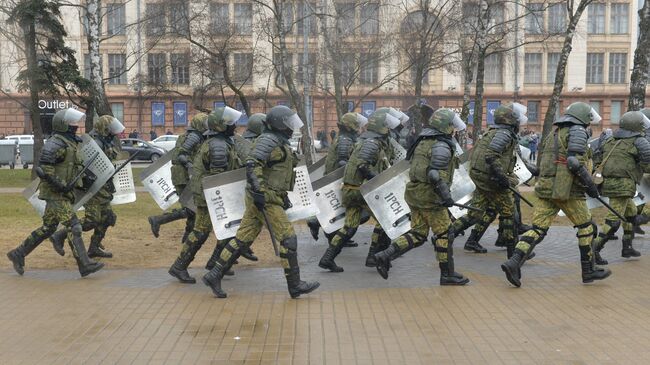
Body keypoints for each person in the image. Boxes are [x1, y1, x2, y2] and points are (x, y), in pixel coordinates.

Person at [202, 105, 320, 299]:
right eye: (289, 124)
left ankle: (214, 275)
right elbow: (252, 163)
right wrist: (258, 191)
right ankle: (295, 285)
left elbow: (275, 172)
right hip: (266, 198)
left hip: (268, 196)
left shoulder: (277, 141)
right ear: (279, 125)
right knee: (288, 239)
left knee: (243, 239)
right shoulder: (268, 141)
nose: (292, 128)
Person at [501, 102, 612, 287]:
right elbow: (574, 163)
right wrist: (591, 185)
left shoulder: (555, 132)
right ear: (583, 118)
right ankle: (588, 270)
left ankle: (514, 262)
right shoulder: (576, 130)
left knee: (537, 229)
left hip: (546, 189)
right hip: (566, 190)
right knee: (586, 227)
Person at [373, 108, 470, 285]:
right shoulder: (441, 144)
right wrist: (445, 195)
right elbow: (434, 174)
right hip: (430, 198)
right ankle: (447, 274)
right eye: (451, 125)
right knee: (444, 234)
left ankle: (385, 255)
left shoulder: (423, 140)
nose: (453, 129)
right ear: (445, 126)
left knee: (418, 234)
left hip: (415, 194)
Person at [7, 108, 104, 277]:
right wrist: (60, 185)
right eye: (72, 123)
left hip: (62, 193)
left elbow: (72, 166)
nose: (76, 125)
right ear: (63, 125)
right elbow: (43, 169)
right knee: (74, 225)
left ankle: (18, 253)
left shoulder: (70, 142)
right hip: (55, 193)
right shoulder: (55, 143)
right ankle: (84, 264)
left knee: (48, 227)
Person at [317, 108, 403, 273]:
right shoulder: (371, 143)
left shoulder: (367, 140)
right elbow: (363, 164)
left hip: (353, 189)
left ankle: (327, 258)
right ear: (381, 127)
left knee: (350, 227)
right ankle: (373, 255)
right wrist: (377, 180)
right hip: (360, 190)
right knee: (385, 220)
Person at [168, 107, 243, 283]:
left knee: (210, 231)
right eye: (231, 123)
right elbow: (219, 178)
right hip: (210, 196)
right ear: (221, 126)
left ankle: (212, 263)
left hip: (209, 194)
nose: (235, 126)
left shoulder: (221, 141)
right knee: (201, 231)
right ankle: (180, 266)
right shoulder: (217, 144)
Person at [448, 103, 529, 258]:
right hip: (491, 179)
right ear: (510, 120)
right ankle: (514, 256)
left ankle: (444, 235)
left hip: (482, 176)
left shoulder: (493, 132)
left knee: (475, 214)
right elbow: (491, 155)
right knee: (508, 213)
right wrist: (502, 177)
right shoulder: (504, 134)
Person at [49, 115, 126, 259]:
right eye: (111, 129)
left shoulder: (106, 141)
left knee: (108, 217)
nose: (114, 132)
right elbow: (85, 167)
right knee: (92, 221)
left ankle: (94, 248)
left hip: (103, 188)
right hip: (94, 189)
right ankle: (59, 235)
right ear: (105, 129)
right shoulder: (96, 143)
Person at [591, 111, 650, 265]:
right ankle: (593, 250)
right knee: (613, 221)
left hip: (608, 183)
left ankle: (627, 247)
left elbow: (597, 155)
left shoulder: (611, 139)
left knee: (630, 213)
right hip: (623, 186)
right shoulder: (638, 140)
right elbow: (647, 161)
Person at [306, 112, 368, 244]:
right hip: (338, 180)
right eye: (356, 125)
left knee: (336, 209)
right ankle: (321, 226)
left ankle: (330, 233)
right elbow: (342, 162)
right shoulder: (345, 140)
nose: (358, 128)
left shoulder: (344, 138)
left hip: (334, 178)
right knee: (345, 211)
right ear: (350, 126)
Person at [147, 114, 208, 244]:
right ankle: (158, 220)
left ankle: (187, 236)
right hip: (183, 176)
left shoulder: (189, 136)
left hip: (182, 175)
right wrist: (191, 168)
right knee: (191, 208)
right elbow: (182, 156)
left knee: (192, 208)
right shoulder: (193, 137)